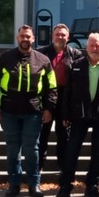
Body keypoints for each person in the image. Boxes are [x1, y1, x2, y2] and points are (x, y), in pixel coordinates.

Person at [0, 25, 56, 197]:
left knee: (32, 150)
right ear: (17, 38)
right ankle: (14, 184)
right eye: (22, 36)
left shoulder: (43, 60)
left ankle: (34, 185)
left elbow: (52, 87)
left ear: (33, 39)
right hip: (8, 112)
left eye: (28, 37)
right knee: (12, 150)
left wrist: (49, 108)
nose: (25, 39)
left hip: (33, 112)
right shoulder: (4, 58)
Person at [55, 33, 99, 197]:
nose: (94, 48)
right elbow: (67, 94)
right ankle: (65, 186)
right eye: (92, 45)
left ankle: (92, 186)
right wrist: (65, 114)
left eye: (98, 46)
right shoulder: (76, 65)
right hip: (79, 115)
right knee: (72, 151)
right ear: (87, 47)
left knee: (98, 152)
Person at [38, 24, 83, 170]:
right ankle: (37, 169)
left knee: (64, 136)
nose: (60, 37)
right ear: (52, 36)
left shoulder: (76, 54)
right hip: (46, 98)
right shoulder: (41, 54)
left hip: (66, 99)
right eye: (57, 34)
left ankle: (63, 169)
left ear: (68, 37)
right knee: (42, 135)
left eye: (63, 35)